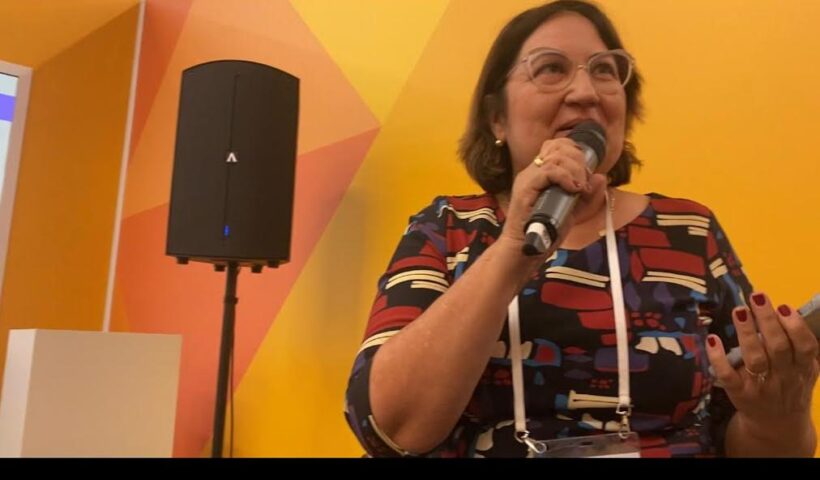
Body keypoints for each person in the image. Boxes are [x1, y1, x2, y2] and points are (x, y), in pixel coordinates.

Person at [344, 0, 818, 457]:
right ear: (497, 117)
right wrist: (515, 248)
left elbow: (757, 439)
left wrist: (776, 417)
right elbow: (390, 431)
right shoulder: (447, 229)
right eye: (551, 68)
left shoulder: (689, 231)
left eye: (605, 70)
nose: (586, 92)